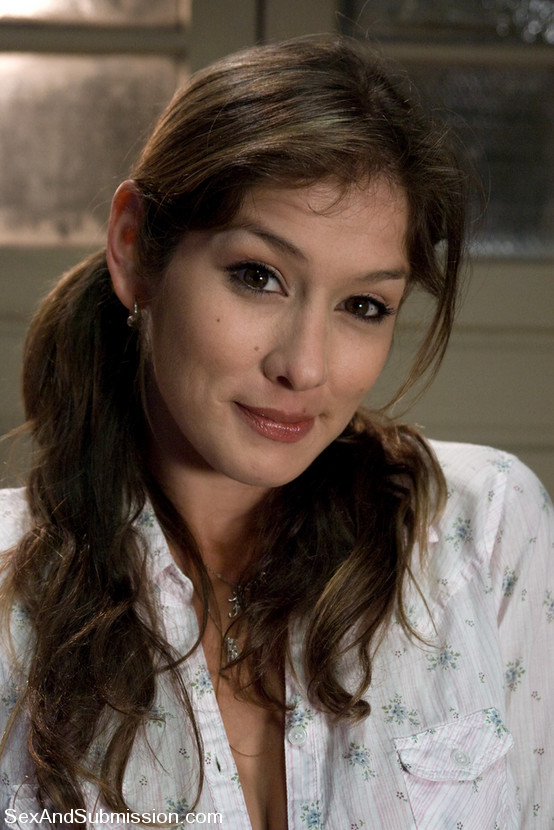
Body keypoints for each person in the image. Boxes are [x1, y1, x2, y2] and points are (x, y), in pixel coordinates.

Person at [0, 34, 551, 830]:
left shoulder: (484, 533)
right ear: (134, 248)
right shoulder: (11, 598)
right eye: (257, 276)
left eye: (364, 306)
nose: (305, 366)